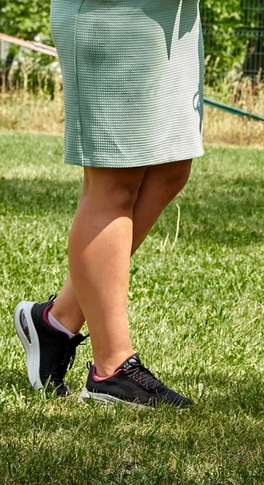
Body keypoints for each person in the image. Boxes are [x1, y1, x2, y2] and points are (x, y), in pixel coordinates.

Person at [13, 0, 204, 407]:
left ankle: (56, 321)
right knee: (115, 180)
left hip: (177, 17)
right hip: (116, 12)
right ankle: (111, 369)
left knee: (171, 167)